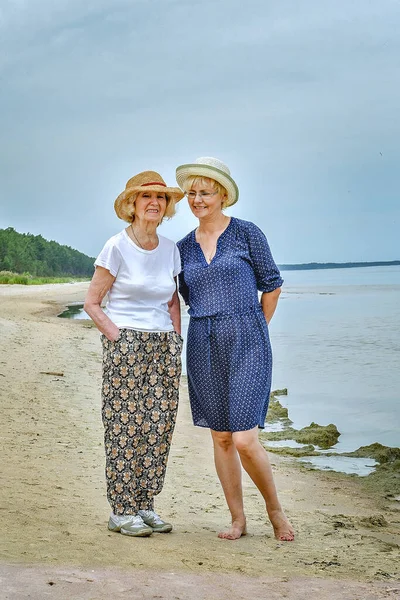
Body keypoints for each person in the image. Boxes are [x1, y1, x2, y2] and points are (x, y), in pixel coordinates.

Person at [176, 157, 294, 541]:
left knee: (245, 438)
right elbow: (183, 297)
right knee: (221, 437)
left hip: (248, 340)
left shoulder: (246, 234)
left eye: (205, 192)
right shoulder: (181, 248)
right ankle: (238, 520)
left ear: (223, 195)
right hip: (203, 342)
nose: (197, 199)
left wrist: (257, 328)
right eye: (192, 193)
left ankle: (276, 513)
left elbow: (272, 284)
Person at [84, 171, 184, 537]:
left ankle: (145, 504)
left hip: (162, 346)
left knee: (158, 426)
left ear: (167, 206)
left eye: (161, 198)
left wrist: (176, 338)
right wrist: (117, 337)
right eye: (146, 197)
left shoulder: (171, 248)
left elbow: (173, 300)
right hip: (126, 343)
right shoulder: (116, 246)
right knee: (125, 426)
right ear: (132, 205)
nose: (154, 203)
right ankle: (121, 510)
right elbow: (92, 303)